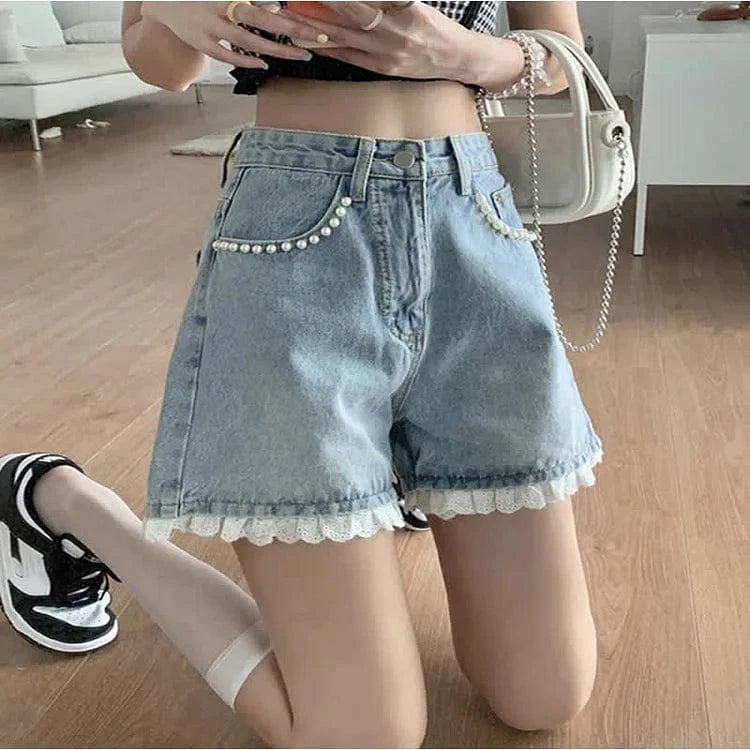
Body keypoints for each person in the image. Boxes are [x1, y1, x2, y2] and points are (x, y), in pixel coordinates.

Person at [0, 2, 601, 746]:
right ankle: (59, 501)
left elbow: (561, 58)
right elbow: (161, 64)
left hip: (472, 225)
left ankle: (379, 468)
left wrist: (461, 54)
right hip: (296, 233)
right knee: (361, 736)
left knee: (545, 695)